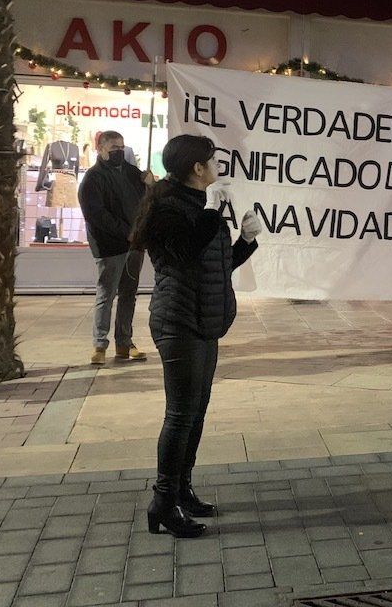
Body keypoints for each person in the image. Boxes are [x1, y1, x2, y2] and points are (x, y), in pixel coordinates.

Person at [128, 134, 261, 538]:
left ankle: (182, 491)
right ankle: (163, 502)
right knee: (180, 414)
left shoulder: (200, 208)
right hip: (178, 322)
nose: (218, 166)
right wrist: (212, 213)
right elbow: (184, 254)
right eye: (213, 160)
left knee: (196, 412)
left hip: (204, 321)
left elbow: (217, 264)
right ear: (197, 168)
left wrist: (246, 242)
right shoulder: (168, 208)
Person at [78, 130, 154, 365]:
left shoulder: (132, 173)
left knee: (129, 294)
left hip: (134, 245)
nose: (119, 152)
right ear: (100, 149)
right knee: (106, 294)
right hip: (110, 246)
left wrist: (150, 185)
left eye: (122, 147)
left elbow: (148, 202)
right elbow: (96, 215)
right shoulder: (93, 178)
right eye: (113, 148)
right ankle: (100, 344)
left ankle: (124, 342)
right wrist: (125, 232)